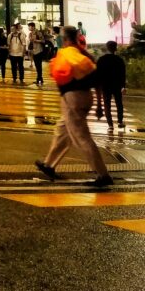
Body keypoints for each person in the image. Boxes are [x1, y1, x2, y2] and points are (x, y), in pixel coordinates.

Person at [36, 26, 113, 187]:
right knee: (62, 130)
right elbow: (97, 81)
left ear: (64, 40)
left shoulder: (66, 55)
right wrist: (99, 105)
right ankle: (49, 165)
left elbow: (58, 76)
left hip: (73, 99)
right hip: (84, 97)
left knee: (82, 138)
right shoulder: (83, 55)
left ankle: (103, 174)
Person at [96, 41, 126, 131]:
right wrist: (123, 86)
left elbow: (98, 74)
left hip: (105, 86)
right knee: (119, 104)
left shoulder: (101, 59)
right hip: (116, 85)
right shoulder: (119, 60)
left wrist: (99, 85)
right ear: (115, 48)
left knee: (107, 105)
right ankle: (120, 122)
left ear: (107, 48)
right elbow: (123, 74)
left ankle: (110, 125)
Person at [27, 22, 46, 86]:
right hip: (34, 51)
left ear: (33, 27)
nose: (29, 28)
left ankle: (39, 79)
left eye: (29, 26)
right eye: (28, 26)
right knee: (37, 66)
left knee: (39, 65)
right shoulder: (30, 33)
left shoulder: (38, 32)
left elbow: (43, 41)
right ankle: (39, 78)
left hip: (39, 50)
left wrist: (36, 40)